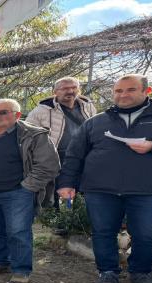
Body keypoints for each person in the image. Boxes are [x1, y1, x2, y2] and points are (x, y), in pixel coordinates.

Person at [57, 74, 152, 283]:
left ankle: (141, 272)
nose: (123, 95)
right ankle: (107, 272)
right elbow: (74, 155)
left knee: (147, 233)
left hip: (149, 190)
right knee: (103, 232)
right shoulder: (96, 122)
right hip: (101, 190)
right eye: (118, 91)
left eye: (130, 90)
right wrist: (67, 183)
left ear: (147, 91)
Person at [0, 99, 60, 283]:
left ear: (17, 115)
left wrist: (27, 187)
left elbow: (49, 165)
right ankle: (0, 262)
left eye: (3, 112)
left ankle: (21, 269)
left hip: (16, 194)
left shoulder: (34, 135)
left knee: (18, 232)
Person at [26, 77, 97, 220]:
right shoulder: (41, 111)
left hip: (84, 155)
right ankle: (62, 219)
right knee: (60, 189)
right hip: (56, 156)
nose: (70, 91)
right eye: (65, 88)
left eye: (74, 87)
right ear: (55, 92)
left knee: (82, 187)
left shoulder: (88, 106)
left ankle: (80, 219)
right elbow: (28, 135)